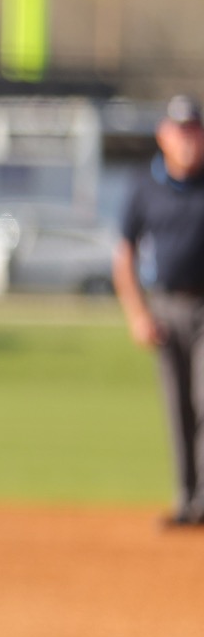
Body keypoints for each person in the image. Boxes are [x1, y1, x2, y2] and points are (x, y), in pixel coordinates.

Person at [115, 94, 204, 527]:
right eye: (179, 131)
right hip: (166, 307)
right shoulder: (144, 186)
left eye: (194, 131)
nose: (187, 140)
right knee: (178, 407)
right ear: (163, 136)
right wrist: (137, 313)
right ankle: (188, 502)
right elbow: (123, 255)